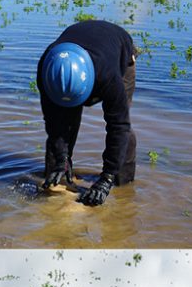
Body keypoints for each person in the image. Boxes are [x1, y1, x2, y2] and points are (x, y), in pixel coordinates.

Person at [37, 20, 137, 206]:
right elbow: (54, 124)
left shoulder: (108, 76)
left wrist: (106, 178)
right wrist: (62, 158)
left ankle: (122, 186)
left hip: (117, 51)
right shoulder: (47, 70)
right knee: (62, 124)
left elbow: (119, 127)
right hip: (76, 65)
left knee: (124, 129)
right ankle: (54, 182)